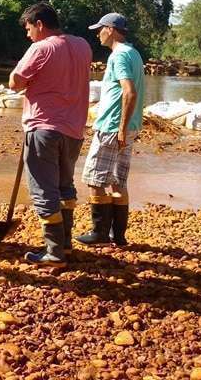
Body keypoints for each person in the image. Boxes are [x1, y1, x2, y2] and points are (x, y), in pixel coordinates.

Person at [8, 2, 92, 268]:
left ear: (40, 25)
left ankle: (54, 251)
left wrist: (30, 79)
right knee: (64, 186)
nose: (28, 34)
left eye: (29, 28)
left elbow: (15, 82)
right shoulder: (83, 45)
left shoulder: (41, 47)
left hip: (43, 128)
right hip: (74, 129)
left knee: (44, 190)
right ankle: (65, 244)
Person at [76, 13, 144, 247]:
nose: (98, 33)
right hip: (127, 126)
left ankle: (100, 233)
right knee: (118, 181)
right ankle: (119, 236)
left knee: (94, 179)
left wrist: (121, 128)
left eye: (100, 29)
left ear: (111, 30)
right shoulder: (134, 53)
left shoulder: (119, 56)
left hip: (113, 127)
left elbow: (129, 92)